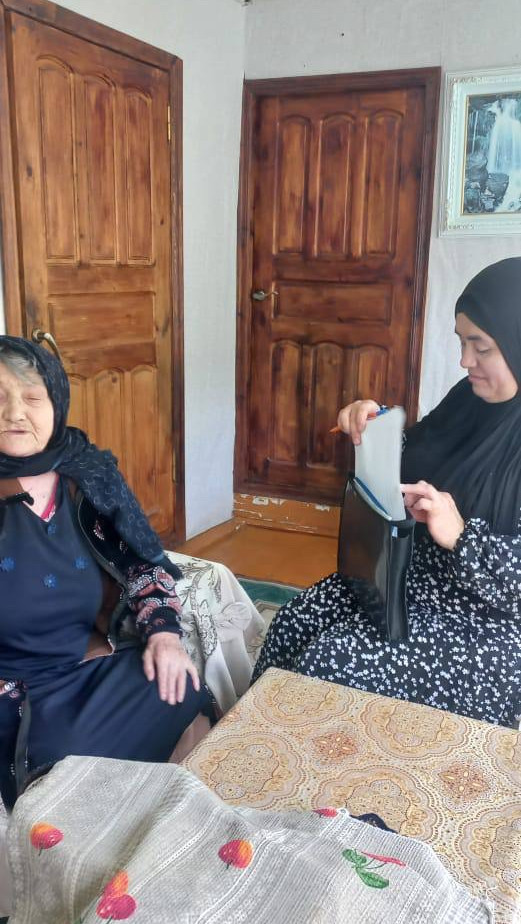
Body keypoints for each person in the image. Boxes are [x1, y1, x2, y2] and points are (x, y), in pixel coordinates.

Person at [253, 258, 521, 728]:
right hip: (407, 578)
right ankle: (247, 743)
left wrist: (463, 537)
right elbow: (415, 457)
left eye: (481, 347)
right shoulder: (469, 399)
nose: (464, 361)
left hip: (489, 625)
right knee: (293, 622)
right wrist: (374, 427)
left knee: (328, 664)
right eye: (461, 343)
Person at [0, 336, 213, 811]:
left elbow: (142, 563)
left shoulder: (87, 476)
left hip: (86, 663)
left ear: (56, 403)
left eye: (32, 397)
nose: (15, 413)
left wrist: (164, 635)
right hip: (14, 689)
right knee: (61, 767)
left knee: (179, 688)